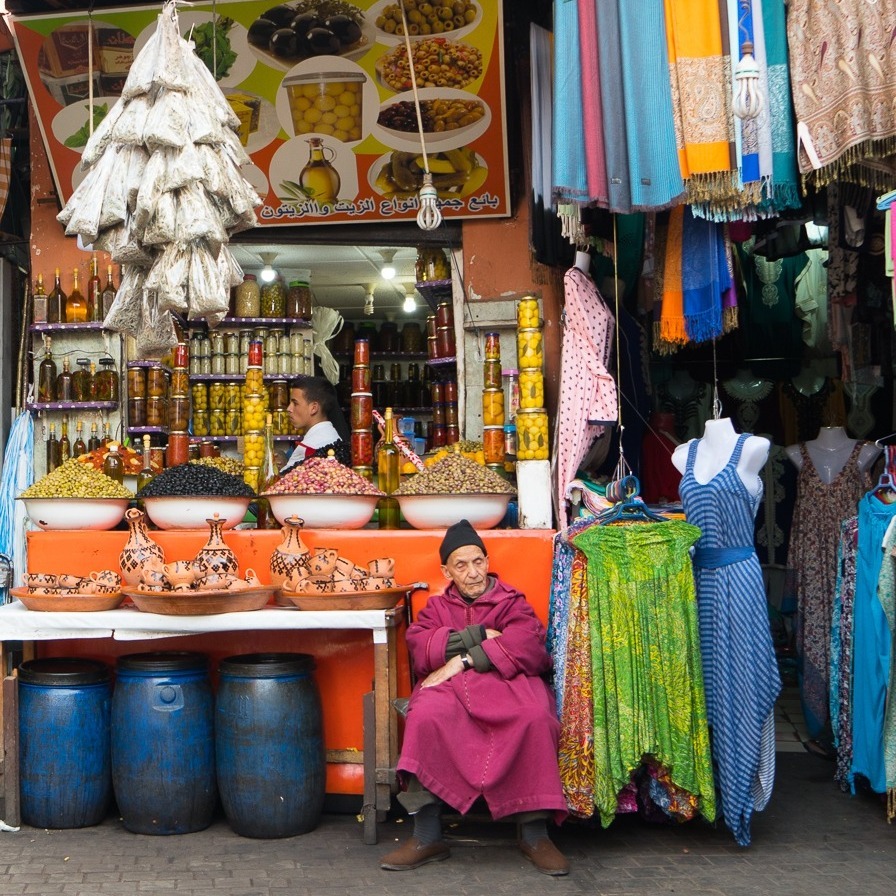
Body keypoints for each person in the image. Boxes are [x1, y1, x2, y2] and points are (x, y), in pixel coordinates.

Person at [380, 520, 569, 876]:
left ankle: (534, 834)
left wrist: (465, 658)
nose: (473, 572)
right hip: (450, 691)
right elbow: (421, 647)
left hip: (508, 684)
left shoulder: (511, 601)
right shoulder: (436, 608)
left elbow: (528, 643)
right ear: (445, 570)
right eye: (461, 565)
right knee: (426, 716)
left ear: (486, 559)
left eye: (478, 561)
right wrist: (480, 635)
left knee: (534, 718)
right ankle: (426, 835)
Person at [282, 375, 351, 471]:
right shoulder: (331, 438)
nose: (289, 409)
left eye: (295, 403)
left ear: (313, 408)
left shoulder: (311, 447)